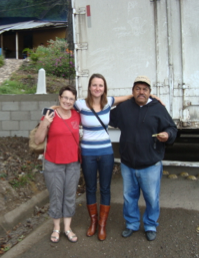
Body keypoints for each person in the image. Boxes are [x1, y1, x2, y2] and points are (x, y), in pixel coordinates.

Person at [109, 75, 177, 241]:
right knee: (129, 197)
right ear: (132, 91)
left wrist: (167, 135)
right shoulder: (124, 108)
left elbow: (172, 128)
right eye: (137, 89)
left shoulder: (158, 108)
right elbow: (105, 114)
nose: (141, 92)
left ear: (150, 92)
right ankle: (132, 224)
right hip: (128, 163)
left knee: (152, 197)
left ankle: (150, 224)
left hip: (150, 164)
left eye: (145, 89)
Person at [73, 73, 135, 241]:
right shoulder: (80, 104)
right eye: (94, 85)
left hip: (106, 153)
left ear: (104, 88)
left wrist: (154, 97)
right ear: (89, 87)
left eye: (101, 85)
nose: (97, 88)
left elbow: (130, 96)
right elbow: (63, 105)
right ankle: (93, 223)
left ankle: (102, 225)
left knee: (106, 189)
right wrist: (51, 109)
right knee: (91, 188)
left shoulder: (108, 102)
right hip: (88, 153)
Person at [34, 86, 81, 243]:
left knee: (69, 195)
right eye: (65, 97)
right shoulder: (50, 115)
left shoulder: (77, 115)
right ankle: (56, 228)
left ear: (74, 101)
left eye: (71, 99)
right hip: (53, 163)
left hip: (73, 163)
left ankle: (67, 228)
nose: (67, 101)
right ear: (60, 98)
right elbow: (37, 140)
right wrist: (45, 123)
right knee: (56, 196)